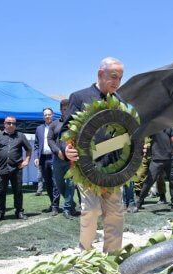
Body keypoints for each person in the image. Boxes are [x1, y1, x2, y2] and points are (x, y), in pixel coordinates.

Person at [61, 57, 125, 253]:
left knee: (115, 213)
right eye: (113, 76)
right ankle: (85, 257)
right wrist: (66, 149)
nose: (116, 82)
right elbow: (65, 130)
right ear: (100, 74)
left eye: (120, 78)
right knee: (91, 211)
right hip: (87, 167)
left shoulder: (119, 101)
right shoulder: (79, 97)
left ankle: (112, 258)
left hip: (113, 168)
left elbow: (125, 133)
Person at [0, 116, 32, 222]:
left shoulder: (20, 136)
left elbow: (29, 149)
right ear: (4, 123)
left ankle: (19, 212)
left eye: (13, 123)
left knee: (18, 191)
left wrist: (26, 161)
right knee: (0, 192)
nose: (11, 125)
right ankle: (0, 213)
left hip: (16, 169)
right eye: (9, 123)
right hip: (1, 169)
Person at [137, 129, 173, 212]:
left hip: (170, 159)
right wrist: (144, 147)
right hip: (157, 159)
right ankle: (138, 204)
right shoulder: (154, 126)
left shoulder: (169, 127)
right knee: (149, 182)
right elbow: (144, 136)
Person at [47, 99, 78, 219]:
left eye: (68, 109)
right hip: (58, 159)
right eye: (64, 109)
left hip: (72, 160)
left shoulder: (75, 123)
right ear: (60, 110)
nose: (66, 111)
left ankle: (67, 209)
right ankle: (72, 204)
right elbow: (49, 140)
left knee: (70, 184)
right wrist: (57, 151)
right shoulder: (54, 124)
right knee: (59, 184)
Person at [34, 108, 60, 216]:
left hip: (54, 157)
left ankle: (55, 206)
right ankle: (52, 203)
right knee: (48, 183)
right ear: (43, 116)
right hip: (43, 159)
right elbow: (36, 145)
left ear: (52, 115)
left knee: (55, 183)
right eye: (45, 115)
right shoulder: (39, 129)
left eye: (49, 114)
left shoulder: (58, 126)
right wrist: (36, 156)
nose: (47, 116)